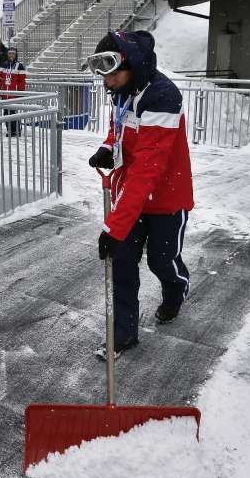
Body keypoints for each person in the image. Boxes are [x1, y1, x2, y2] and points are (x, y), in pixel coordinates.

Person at [83, 31, 194, 360]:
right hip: (131, 195)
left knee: (162, 261)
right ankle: (124, 332)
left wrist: (114, 226)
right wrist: (108, 147)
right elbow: (121, 127)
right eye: (103, 77)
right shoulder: (123, 88)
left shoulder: (163, 96)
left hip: (166, 199)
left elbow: (149, 167)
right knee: (122, 265)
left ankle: (176, 288)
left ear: (131, 64)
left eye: (112, 75)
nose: (107, 84)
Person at [0, 47, 26, 136]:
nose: (11, 55)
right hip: (5, 94)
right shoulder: (3, 65)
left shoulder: (19, 66)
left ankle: (15, 131)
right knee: (6, 113)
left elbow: (22, 82)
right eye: (10, 53)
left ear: (15, 55)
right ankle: (10, 130)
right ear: (7, 54)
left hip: (14, 94)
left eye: (13, 53)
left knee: (13, 113)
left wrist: (20, 94)